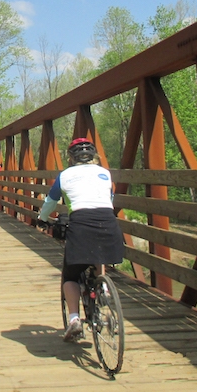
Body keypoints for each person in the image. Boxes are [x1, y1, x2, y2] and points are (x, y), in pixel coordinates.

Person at [38, 138, 124, 341]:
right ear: (94, 155)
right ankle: (103, 288)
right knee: (99, 256)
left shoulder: (65, 175)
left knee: (71, 274)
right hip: (108, 223)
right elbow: (109, 200)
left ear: (71, 157)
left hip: (81, 225)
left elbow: (51, 202)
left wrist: (42, 219)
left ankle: (74, 319)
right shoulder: (104, 173)